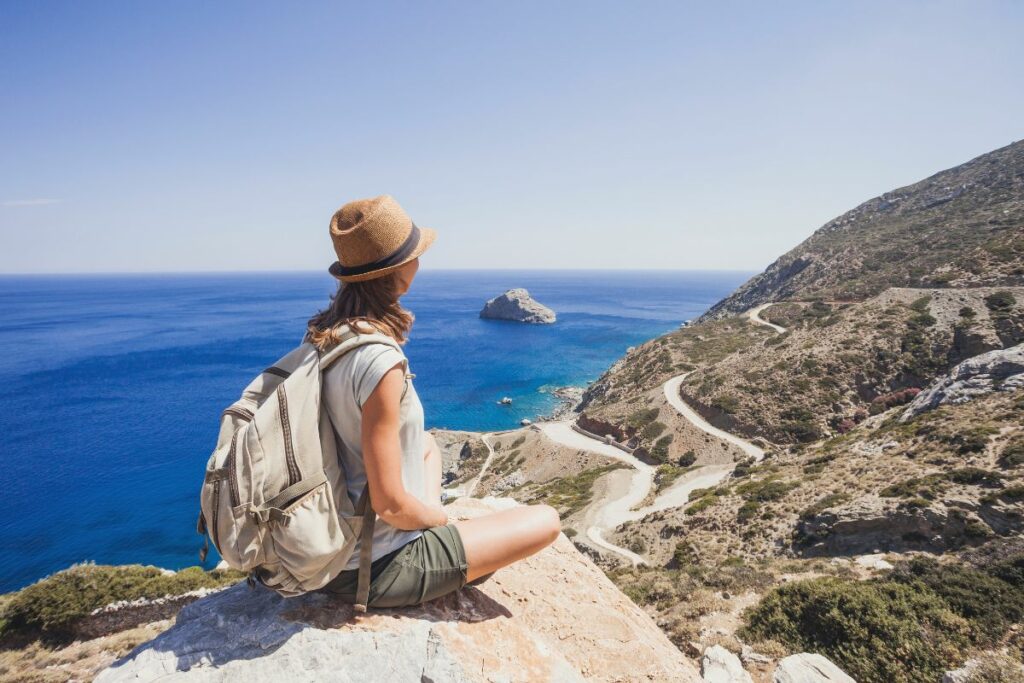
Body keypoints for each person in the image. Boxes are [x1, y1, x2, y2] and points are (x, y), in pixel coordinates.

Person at [308, 195, 561, 609]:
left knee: (426, 445)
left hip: (329, 542)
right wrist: (438, 519)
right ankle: (427, 538)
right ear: (400, 272)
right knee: (545, 521)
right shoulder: (381, 361)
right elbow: (389, 503)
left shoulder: (325, 337)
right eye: (416, 253)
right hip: (374, 566)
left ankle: (422, 528)